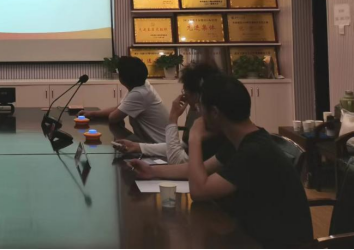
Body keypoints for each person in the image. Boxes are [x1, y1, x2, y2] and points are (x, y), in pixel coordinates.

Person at [131, 76, 313, 249]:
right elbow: (199, 170)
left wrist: (195, 138)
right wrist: (152, 171)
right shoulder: (246, 139)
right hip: (252, 236)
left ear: (215, 113)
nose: (198, 114)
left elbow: (199, 191)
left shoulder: (254, 151)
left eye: (200, 108)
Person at [116, 63, 226, 164]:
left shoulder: (212, 123)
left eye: (185, 91)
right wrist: (138, 147)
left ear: (197, 95)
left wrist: (173, 117)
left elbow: (177, 160)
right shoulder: (198, 113)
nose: (184, 95)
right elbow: (184, 146)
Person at [80, 56, 169, 144]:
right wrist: (92, 113)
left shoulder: (139, 93)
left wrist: (94, 114)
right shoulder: (141, 85)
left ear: (123, 78)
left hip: (159, 148)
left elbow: (113, 118)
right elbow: (118, 108)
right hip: (153, 144)